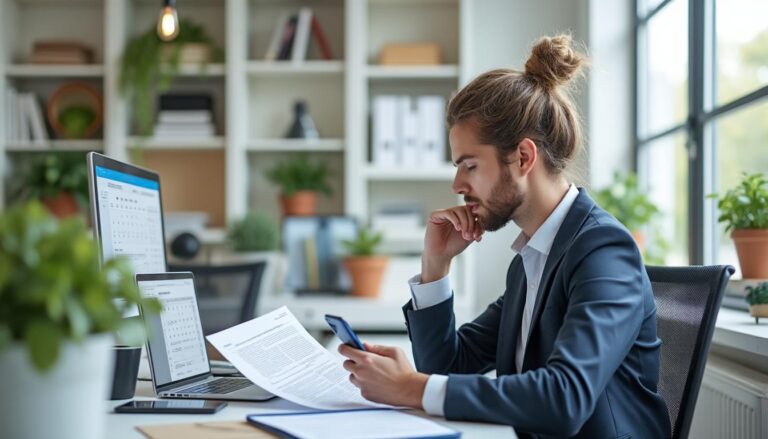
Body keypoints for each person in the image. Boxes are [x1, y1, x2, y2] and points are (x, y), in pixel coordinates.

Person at [338, 34, 671, 438]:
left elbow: (565, 399)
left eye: (470, 165)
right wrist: (435, 266)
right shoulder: (532, 260)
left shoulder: (603, 250)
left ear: (524, 158)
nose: (457, 184)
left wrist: (410, 387)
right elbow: (449, 367)